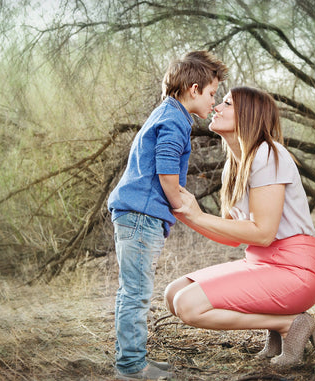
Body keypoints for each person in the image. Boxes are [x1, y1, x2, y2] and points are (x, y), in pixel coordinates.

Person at [165, 86, 315, 367]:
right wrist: (188, 215)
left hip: (295, 271)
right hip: (261, 264)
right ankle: (278, 326)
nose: (217, 107)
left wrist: (200, 216)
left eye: (227, 103)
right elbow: (232, 238)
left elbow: (263, 234)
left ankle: (289, 324)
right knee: (172, 295)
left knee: (188, 305)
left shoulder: (268, 154)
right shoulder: (235, 166)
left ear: (248, 116)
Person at [107, 50, 228, 380]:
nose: (213, 102)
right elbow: (166, 178)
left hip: (137, 214)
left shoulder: (166, 113)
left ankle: (133, 361)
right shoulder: (175, 121)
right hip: (141, 216)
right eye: (212, 93)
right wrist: (185, 205)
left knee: (132, 290)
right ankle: (131, 368)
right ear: (193, 89)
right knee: (136, 293)